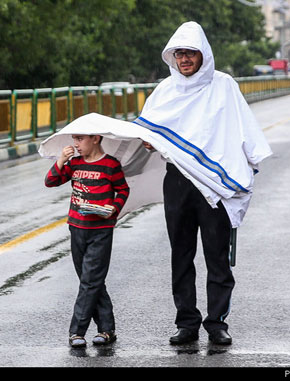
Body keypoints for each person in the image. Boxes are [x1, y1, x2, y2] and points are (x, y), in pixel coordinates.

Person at [140, 21, 272, 346]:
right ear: (172, 57)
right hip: (178, 183)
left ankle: (217, 324)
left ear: (203, 55)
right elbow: (147, 132)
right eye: (179, 54)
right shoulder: (164, 91)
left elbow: (243, 130)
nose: (184, 59)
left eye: (190, 53)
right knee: (181, 255)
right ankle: (186, 323)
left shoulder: (224, 85)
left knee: (217, 256)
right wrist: (149, 141)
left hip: (213, 186)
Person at [45, 134, 130, 348]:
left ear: (95, 139)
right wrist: (61, 160)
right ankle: (107, 329)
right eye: (75, 139)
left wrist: (114, 208)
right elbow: (51, 181)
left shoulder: (110, 164)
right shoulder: (74, 163)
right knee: (90, 279)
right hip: (77, 227)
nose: (76, 143)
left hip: (101, 229)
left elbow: (123, 189)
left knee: (90, 280)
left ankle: (77, 331)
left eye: (80, 139)